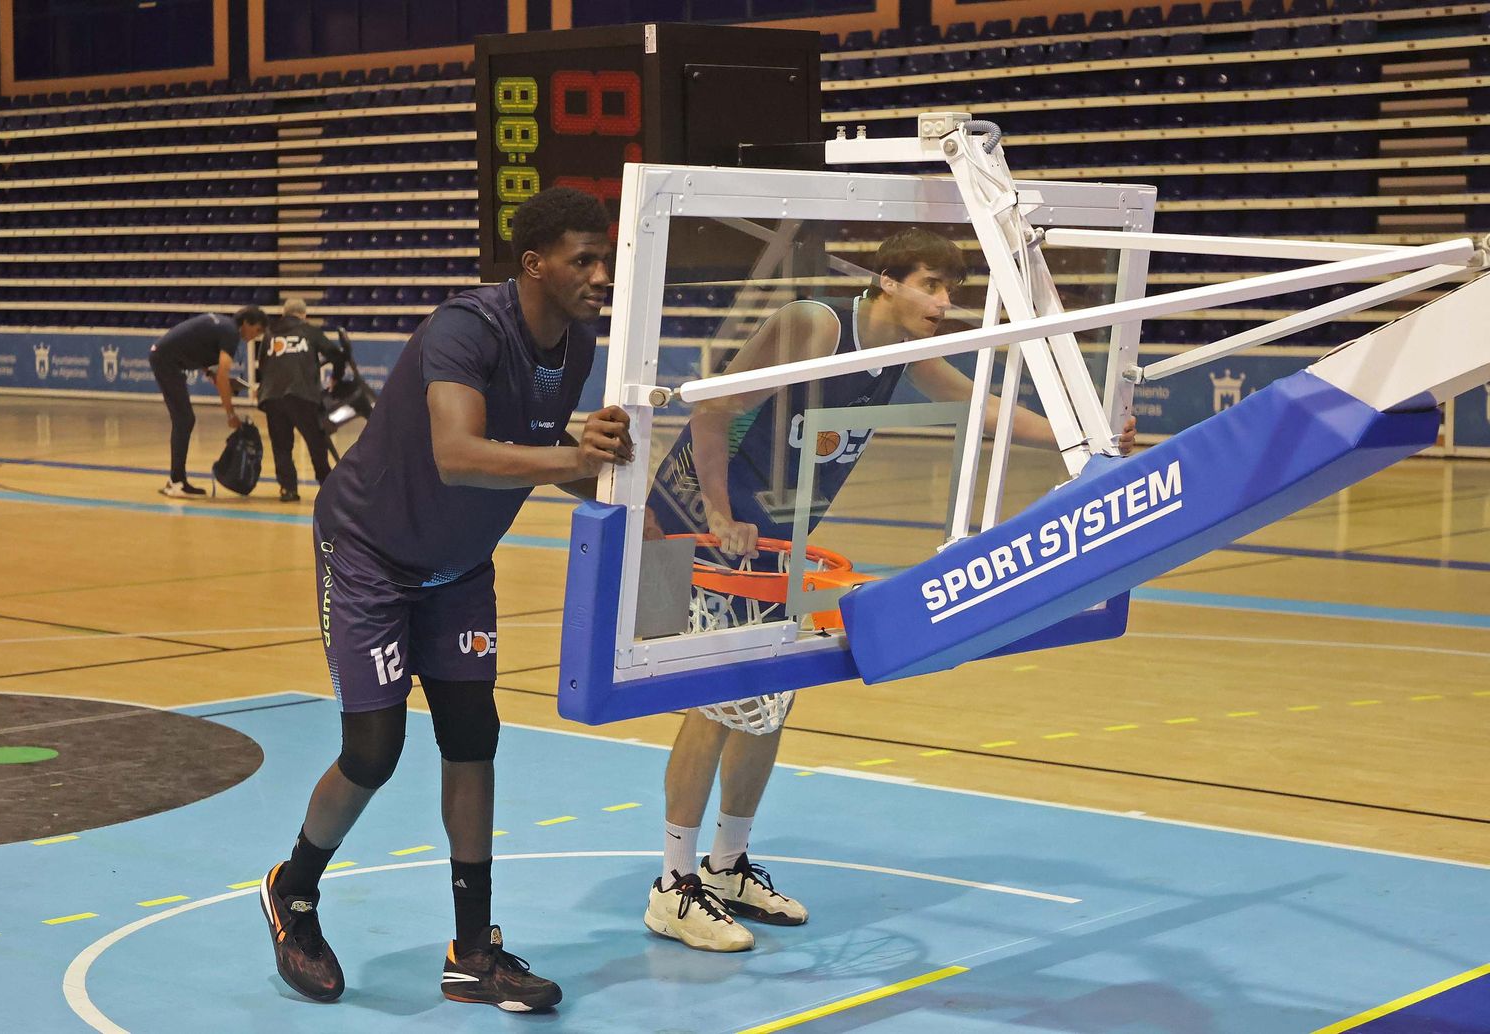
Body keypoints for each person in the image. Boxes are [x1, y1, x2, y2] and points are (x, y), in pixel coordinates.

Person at [641, 228, 1138, 951]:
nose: (943, 303)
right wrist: (717, 511)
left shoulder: (901, 351)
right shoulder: (814, 325)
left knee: (769, 702)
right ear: (886, 280)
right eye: (931, 285)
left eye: (951, 292)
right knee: (721, 700)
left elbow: (984, 410)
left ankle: (726, 867)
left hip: (776, 535)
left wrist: (1089, 441)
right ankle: (673, 885)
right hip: (690, 521)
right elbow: (712, 407)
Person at [258, 187, 630, 1012]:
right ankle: (295, 889)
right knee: (374, 751)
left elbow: (538, 456)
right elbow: (460, 453)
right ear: (534, 265)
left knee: (473, 738)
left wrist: (635, 498)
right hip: (370, 554)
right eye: (584, 260)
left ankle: (472, 951)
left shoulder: (575, 344)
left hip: (459, 567)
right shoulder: (467, 328)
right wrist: (573, 457)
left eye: (604, 258)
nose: (601, 274)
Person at [147, 307, 267, 497]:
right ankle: (176, 482)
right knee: (184, 419)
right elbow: (223, 376)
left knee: (184, 419)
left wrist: (208, 371)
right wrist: (230, 414)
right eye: (257, 330)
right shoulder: (231, 333)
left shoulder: (223, 324)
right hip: (166, 361)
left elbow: (195, 342)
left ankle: (176, 480)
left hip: (165, 357)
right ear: (246, 323)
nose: (256, 336)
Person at [257, 297, 345, 502]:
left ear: (283, 313)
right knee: (316, 442)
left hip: (273, 396)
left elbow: (262, 364)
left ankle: (288, 489)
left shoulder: (270, 333)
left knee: (281, 445)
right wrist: (335, 378)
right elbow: (337, 355)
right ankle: (327, 486)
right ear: (303, 315)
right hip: (302, 395)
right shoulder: (309, 331)